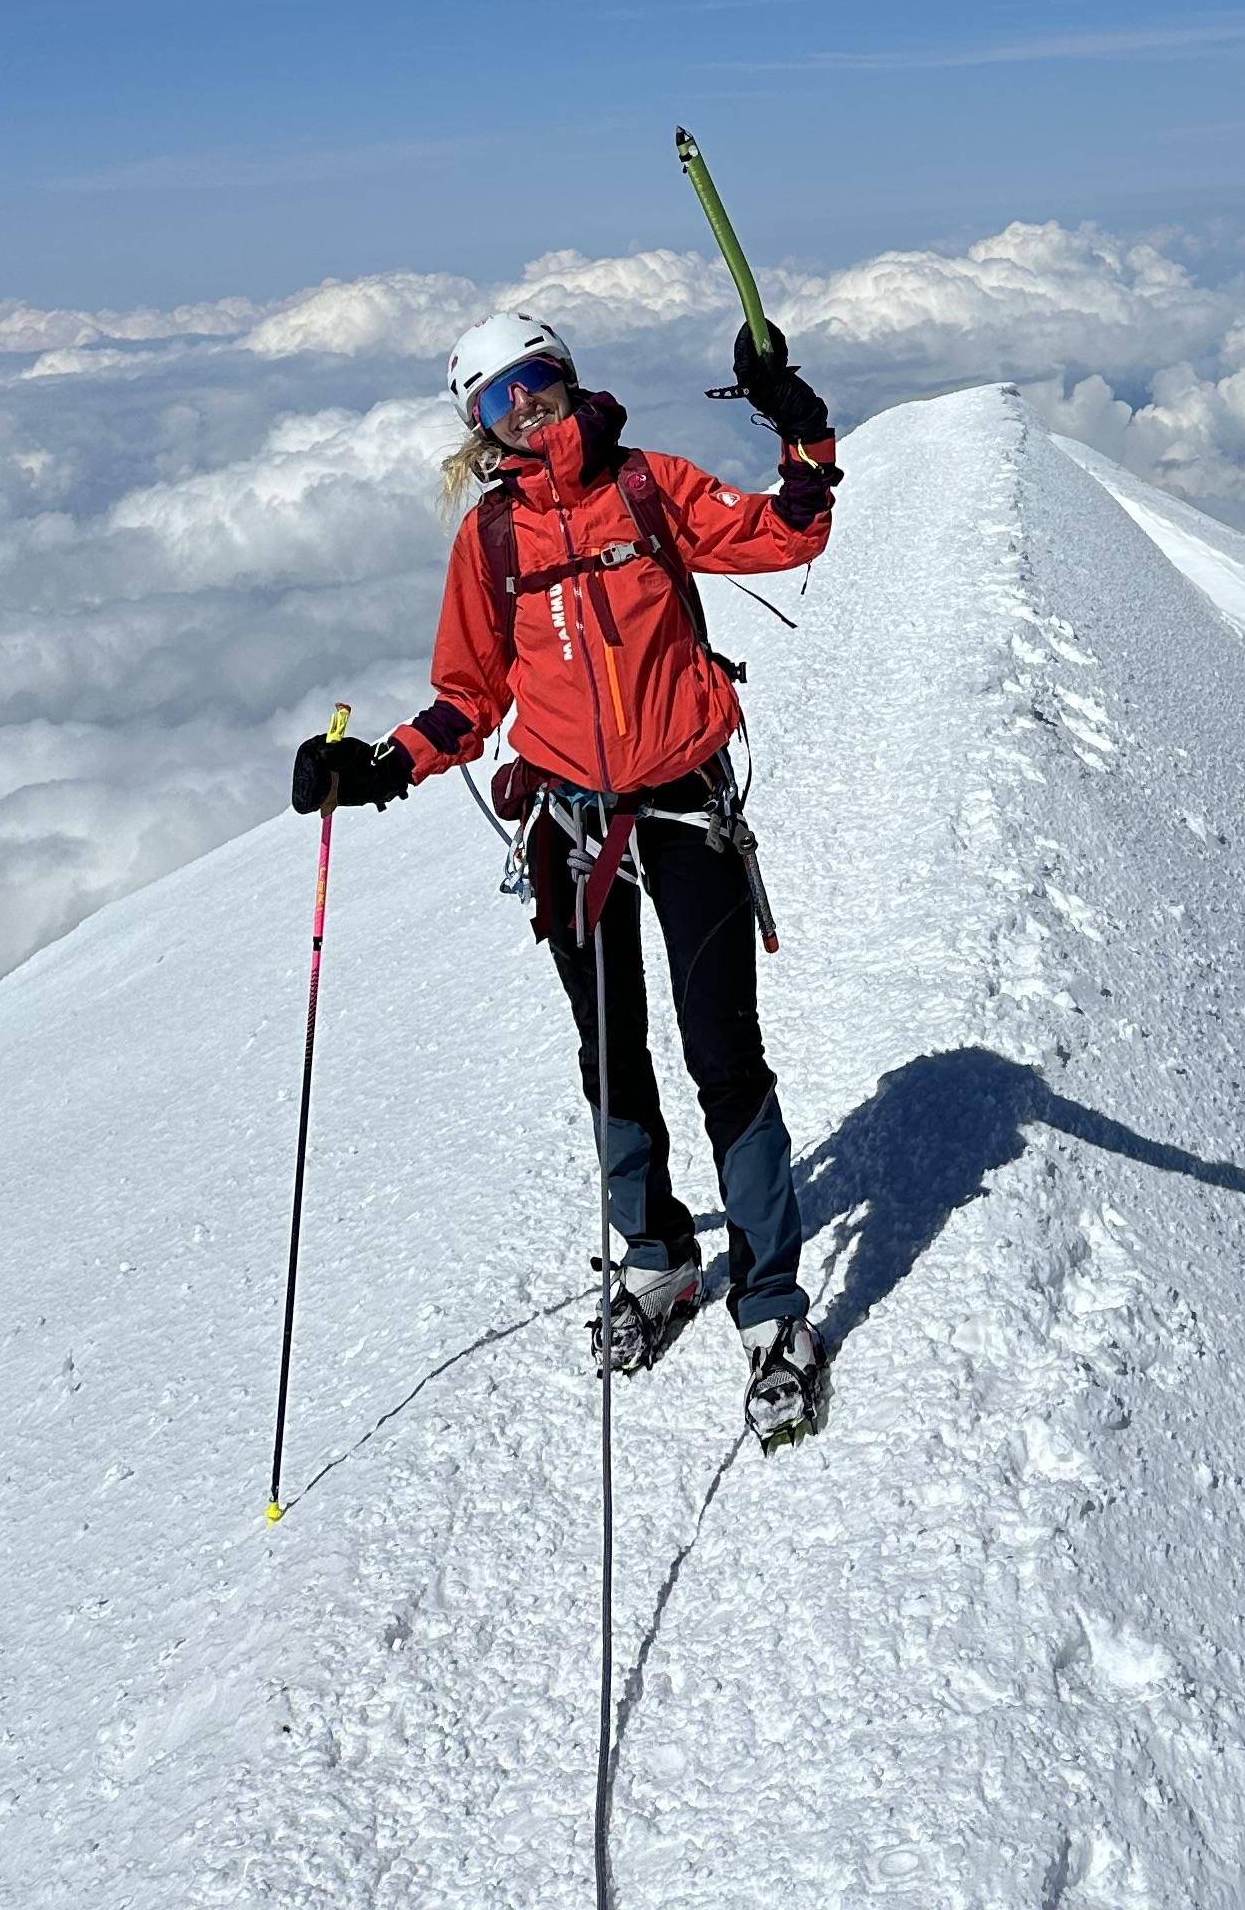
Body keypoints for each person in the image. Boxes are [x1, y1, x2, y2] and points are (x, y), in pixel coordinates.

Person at [291, 305, 843, 1452]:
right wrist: (379, 767)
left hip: (684, 807)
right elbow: (468, 694)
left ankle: (774, 1306)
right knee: (611, 1054)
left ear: (569, 379)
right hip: (570, 827)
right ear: (479, 426)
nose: (528, 406)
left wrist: (801, 426)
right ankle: (656, 1259)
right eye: (501, 397)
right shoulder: (490, 542)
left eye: (538, 380)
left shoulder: (649, 489)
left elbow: (787, 534)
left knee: (723, 1058)